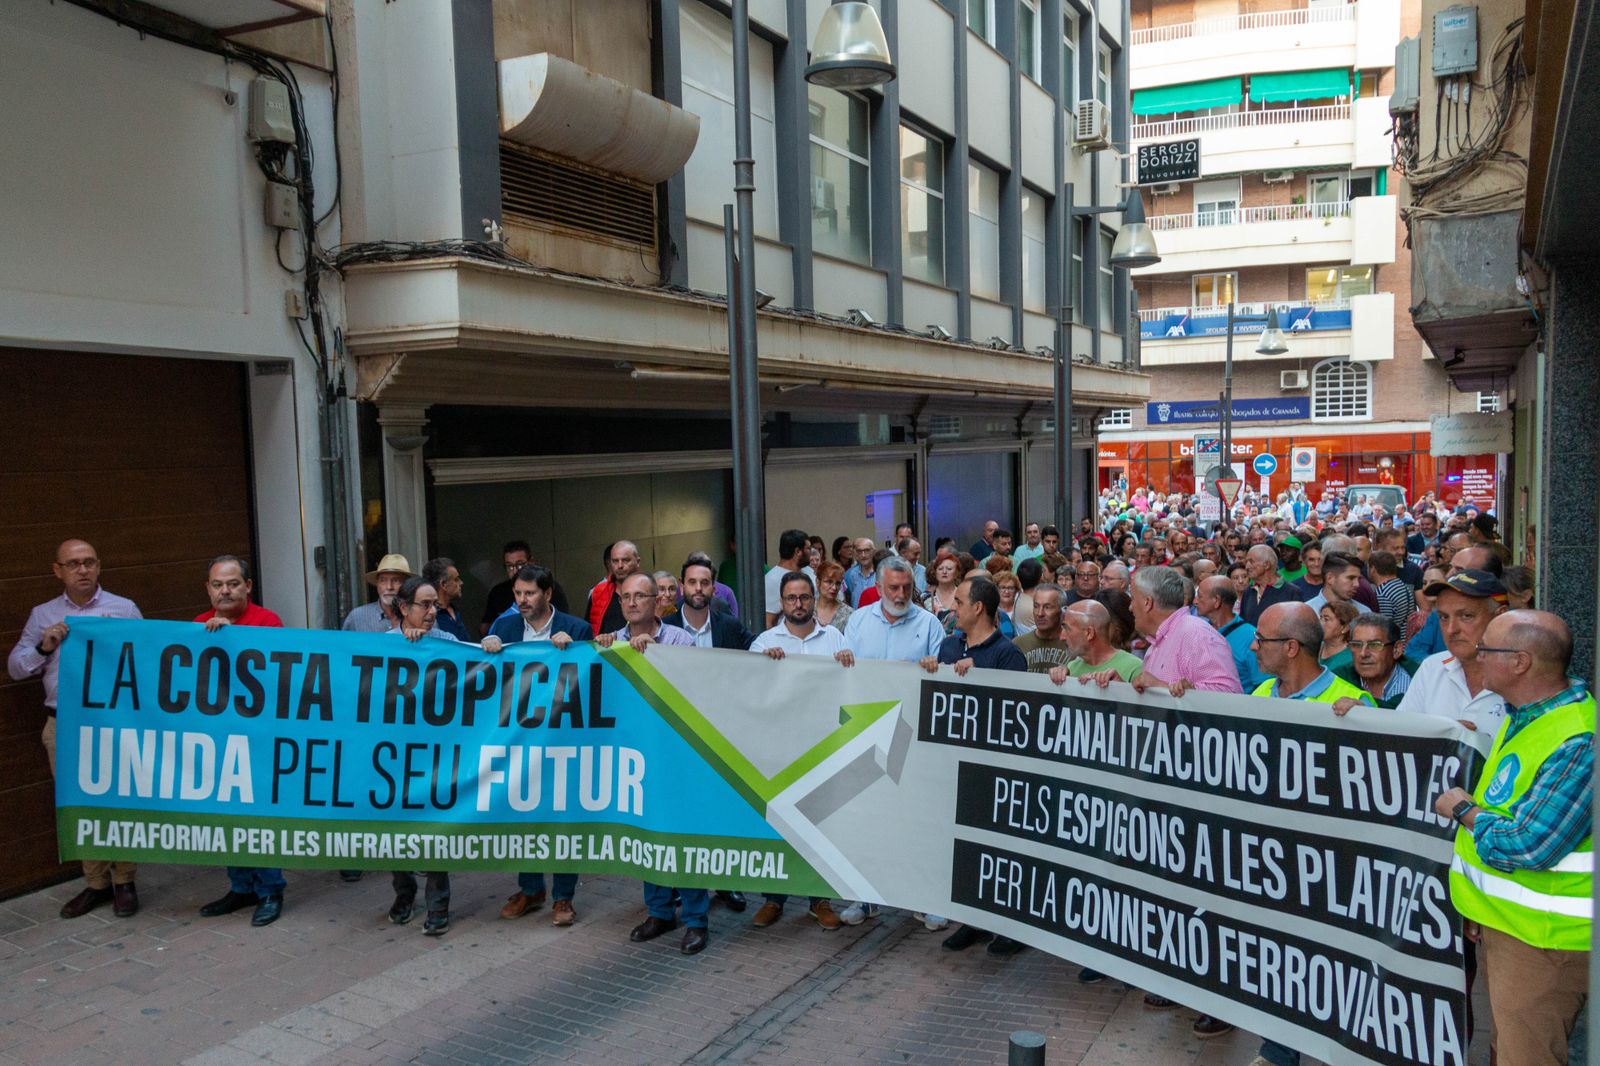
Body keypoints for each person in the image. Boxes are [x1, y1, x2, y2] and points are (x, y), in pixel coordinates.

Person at [1433, 610, 1591, 1066]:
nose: (1476, 656)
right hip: (1512, 928)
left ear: (1520, 662)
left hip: (1545, 946)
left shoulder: (1578, 740)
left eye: (1487, 649)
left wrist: (1462, 809)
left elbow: (1529, 844)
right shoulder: (1527, 715)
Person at [1235, 601, 1374, 1056]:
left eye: (1263, 639)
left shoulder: (1353, 705)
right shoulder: (1257, 697)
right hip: (1266, 860)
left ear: (1291, 647)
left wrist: (1369, 724)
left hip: (1325, 868)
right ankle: (1278, 1052)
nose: (1253, 646)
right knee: (1274, 958)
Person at [8, 539, 143, 919]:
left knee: (119, 801)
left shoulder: (124, 609)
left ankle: (125, 882)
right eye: (73, 564)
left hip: (113, 724)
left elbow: (147, 661)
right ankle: (96, 884)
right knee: (78, 805)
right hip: (64, 726)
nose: (82, 570)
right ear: (58, 571)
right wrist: (44, 647)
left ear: (99, 566)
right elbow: (16, 667)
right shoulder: (42, 615)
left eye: (88, 563)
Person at [596, 574, 709, 954]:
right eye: (625, 596)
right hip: (635, 755)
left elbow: (693, 686)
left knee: (680, 834)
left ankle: (696, 920)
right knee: (646, 834)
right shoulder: (612, 641)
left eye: (640, 595)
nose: (632, 603)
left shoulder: (678, 639)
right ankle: (660, 912)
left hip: (675, 753)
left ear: (656, 601)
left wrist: (656, 656)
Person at [919, 577, 1027, 956]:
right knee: (963, 847)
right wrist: (931, 668)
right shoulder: (949, 645)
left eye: (960, 602)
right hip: (954, 764)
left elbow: (1014, 714)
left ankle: (1009, 926)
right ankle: (974, 920)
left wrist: (978, 673)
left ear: (978, 608)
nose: (954, 608)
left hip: (993, 769)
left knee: (998, 848)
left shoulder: (1007, 655)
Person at [837, 557, 944, 925]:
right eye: (893, 588)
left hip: (913, 734)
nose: (900, 595)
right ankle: (863, 898)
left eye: (906, 589)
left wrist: (936, 665)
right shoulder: (857, 622)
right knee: (866, 819)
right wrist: (842, 659)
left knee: (918, 820)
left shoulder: (929, 624)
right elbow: (842, 676)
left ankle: (924, 897)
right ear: (879, 588)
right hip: (866, 732)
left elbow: (942, 679)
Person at [488, 565, 592, 925]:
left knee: (562, 817)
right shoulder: (504, 629)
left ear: (547, 594)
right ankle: (530, 888)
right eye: (517, 594)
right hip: (519, 742)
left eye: (529, 594)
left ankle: (564, 898)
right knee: (522, 815)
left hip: (562, 741)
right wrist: (488, 652)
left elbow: (594, 682)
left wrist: (574, 650)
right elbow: (487, 682)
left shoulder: (576, 629)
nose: (521, 601)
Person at [748, 571, 847, 932]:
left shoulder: (834, 637)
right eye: (791, 598)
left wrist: (851, 663)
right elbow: (751, 694)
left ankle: (819, 899)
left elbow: (853, 686)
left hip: (823, 746)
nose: (799, 604)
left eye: (805, 597)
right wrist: (763, 668)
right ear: (782, 602)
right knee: (778, 825)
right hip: (779, 748)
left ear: (813, 598)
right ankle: (774, 898)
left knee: (820, 825)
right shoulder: (763, 643)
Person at [194, 556, 290, 928]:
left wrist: (232, 638)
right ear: (208, 589)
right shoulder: (199, 626)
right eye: (218, 584)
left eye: (233, 583)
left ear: (248, 586)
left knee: (260, 815)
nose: (225, 590)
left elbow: (277, 675)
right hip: (217, 742)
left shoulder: (269, 622)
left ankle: (270, 890)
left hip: (260, 739)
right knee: (226, 815)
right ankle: (241, 886)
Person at [1081, 567, 1241, 697]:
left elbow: (1231, 696)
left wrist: (1162, 687)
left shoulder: (1196, 634)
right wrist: (1123, 688)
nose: (1130, 608)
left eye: (1133, 600)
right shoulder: (1158, 643)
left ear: (1147, 603)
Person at [1396, 570, 1511, 737]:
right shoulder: (1432, 668)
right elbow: (1400, 735)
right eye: (1443, 617)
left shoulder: (1522, 676)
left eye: (1466, 616)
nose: (1451, 630)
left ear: (1500, 616)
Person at [480, 540, 569, 634]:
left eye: (519, 565)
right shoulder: (497, 592)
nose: (514, 571)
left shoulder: (548, 586)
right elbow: (485, 628)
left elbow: (564, 624)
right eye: (509, 566)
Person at [1331, 613, 1415, 710]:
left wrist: (1367, 707)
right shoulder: (1338, 679)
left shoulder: (1421, 684)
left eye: (1374, 645)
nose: (1363, 653)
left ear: (1396, 649)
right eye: (1357, 645)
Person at [1049, 599, 1143, 684]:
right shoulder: (1071, 667)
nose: (1062, 637)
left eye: (1067, 629)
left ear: (1089, 633)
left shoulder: (1135, 668)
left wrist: (1120, 688)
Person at [1194, 575, 1262, 692]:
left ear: (1216, 601)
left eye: (1200, 596)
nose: (1195, 601)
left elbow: (1263, 685)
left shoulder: (1250, 637)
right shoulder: (1199, 631)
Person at [343, 553, 411, 632]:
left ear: (406, 584)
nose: (389, 587)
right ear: (377, 584)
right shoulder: (357, 617)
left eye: (396, 580)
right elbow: (344, 643)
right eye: (383, 580)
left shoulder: (418, 615)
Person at [586, 540, 642, 635]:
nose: (620, 566)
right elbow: (588, 630)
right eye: (615, 561)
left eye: (625, 560)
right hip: (606, 648)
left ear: (637, 562)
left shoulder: (652, 590)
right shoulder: (598, 592)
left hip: (645, 647)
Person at [1238, 545, 1301, 627]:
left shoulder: (1292, 592)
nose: (1247, 566)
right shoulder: (1249, 591)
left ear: (1267, 565)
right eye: (1246, 562)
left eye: (1251, 561)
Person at [1014, 585, 1070, 673]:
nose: (1040, 614)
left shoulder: (1074, 645)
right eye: (1036, 606)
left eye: (1047, 607)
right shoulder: (1018, 645)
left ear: (1062, 611)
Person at [766, 529, 815, 627]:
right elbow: (769, 621)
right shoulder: (772, 580)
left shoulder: (809, 571)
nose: (811, 553)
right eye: (808, 548)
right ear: (798, 551)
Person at [1369, 551, 1413, 644]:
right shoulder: (1402, 586)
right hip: (1405, 643)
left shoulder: (1383, 593)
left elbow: (1383, 628)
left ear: (1373, 569)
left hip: (1393, 646)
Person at [422, 557, 471, 640]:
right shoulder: (429, 616)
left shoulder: (454, 610)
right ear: (443, 584)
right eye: (456, 579)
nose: (461, 583)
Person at [1303, 550, 1361, 616]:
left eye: (1358, 579)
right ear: (1330, 578)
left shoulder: (1363, 612)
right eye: (1351, 578)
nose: (1357, 584)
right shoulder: (1307, 612)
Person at [1318, 600, 1358, 673]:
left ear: (1345, 627)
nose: (1320, 623)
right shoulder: (1313, 649)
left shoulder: (1352, 658)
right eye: (1321, 618)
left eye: (1326, 619)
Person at [814, 560, 853, 631]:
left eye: (838, 583)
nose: (834, 587)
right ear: (818, 582)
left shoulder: (848, 613)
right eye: (829, 582)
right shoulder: (808, 609)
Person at [842, 535, 877, 608]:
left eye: (867, 550)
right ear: (855, 553)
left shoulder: (880, 572)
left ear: (873, 551)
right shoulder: (849, 574)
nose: (863, 555)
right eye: (859, 551)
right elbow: (847, 597)